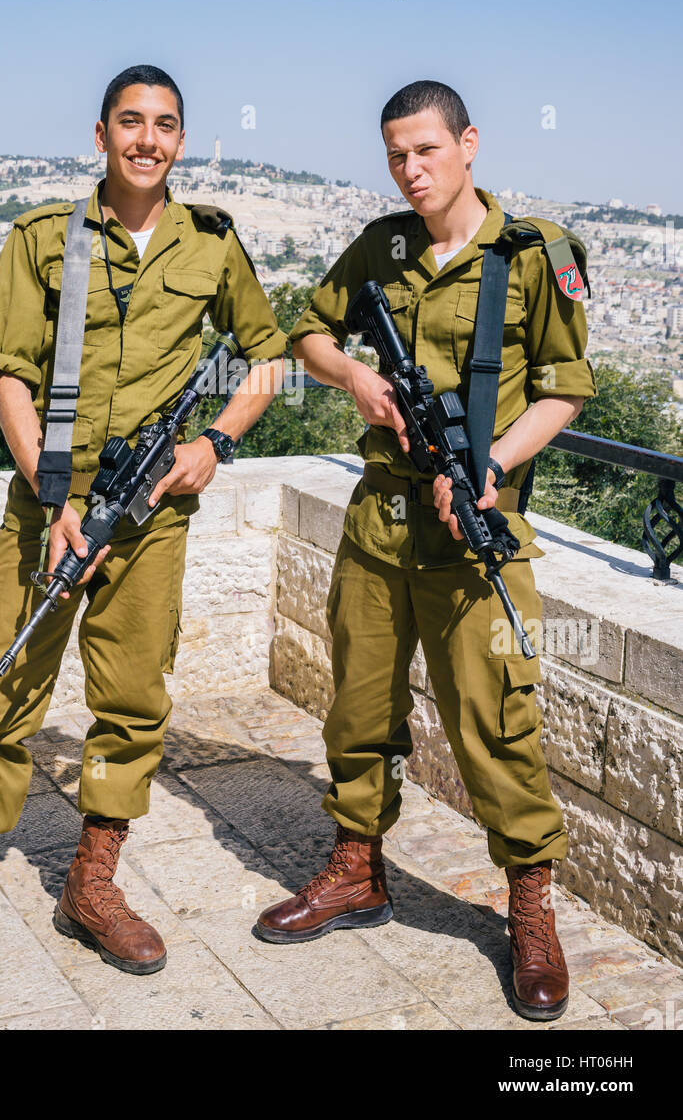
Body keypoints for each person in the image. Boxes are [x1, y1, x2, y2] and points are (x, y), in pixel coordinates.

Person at [0, 64, 287, 1007]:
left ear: (181, 141)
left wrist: (215, 443)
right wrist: (54, 494)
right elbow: (9, 375)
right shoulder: (41, 238)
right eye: (130, 122)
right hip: (48, 509)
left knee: (132, 701)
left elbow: (267, 356)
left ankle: (91, 886)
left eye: (165, 125)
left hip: (150, 519)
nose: (148, 140)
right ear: (100, 134)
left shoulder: (212, 243)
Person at [255, 79, 597, 1022]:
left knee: (494, 725)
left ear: (468, 143)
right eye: (395, 155)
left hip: (474, 529)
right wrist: (355, 378)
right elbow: (307, 331)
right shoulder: (384, 246)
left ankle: (529, 908)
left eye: (426, 150)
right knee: (358, 707)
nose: (410, 169)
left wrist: (490, 463)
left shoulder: (535, 254)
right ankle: (355, 868)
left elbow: (565, 389)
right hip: (379, 522)